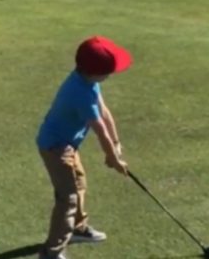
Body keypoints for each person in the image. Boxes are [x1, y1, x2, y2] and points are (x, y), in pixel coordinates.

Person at [36, 36, 132, 259]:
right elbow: (99, 128)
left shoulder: (88, 82)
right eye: (107, 71)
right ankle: (52, 252)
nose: (110, 75)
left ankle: (78, 229)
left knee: (79, 184)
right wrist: (114, 160)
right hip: (55, 148)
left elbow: (104, 112)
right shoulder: (80, 93)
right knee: (67, 198)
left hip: (67, 145)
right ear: (94, 72)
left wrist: (116, 146)